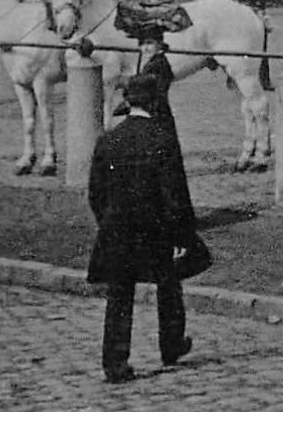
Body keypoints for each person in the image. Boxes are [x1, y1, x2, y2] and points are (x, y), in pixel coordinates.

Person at [87, 71, 203, 383]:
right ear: (154, 102)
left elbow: (95, 192)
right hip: (154, 230)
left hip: (117, 229)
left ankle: (115, 362)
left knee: (119, 295)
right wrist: (182, 234)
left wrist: (108, 222)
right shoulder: (162, 138)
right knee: (169, 285)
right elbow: (174, 192)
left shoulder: (108, 140)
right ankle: (171, 345)